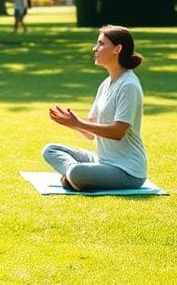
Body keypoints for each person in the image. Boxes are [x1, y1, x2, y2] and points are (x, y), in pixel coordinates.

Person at [42, 25, 148, 191]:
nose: (95, 48)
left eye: (101, 44)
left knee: (77, 172)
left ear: (117, 49)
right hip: (102, 161)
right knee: (50, 149)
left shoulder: (129, 85)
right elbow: (91, 133)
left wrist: (79, 122)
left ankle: (74, 175)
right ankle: (74, 176)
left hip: (127, 171)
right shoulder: (106, 84)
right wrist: (72, 123)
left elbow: (117, 132)